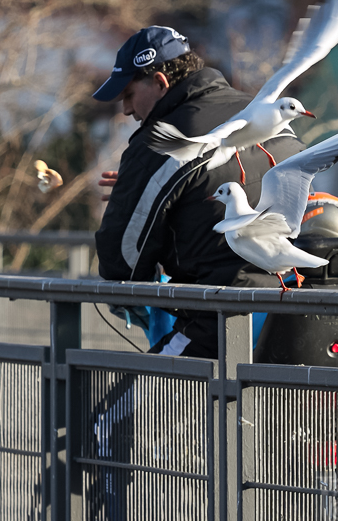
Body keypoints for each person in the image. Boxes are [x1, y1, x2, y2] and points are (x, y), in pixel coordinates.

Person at [94, 25, 305, 358]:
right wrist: (142, 193)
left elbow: (122, 264)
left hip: (218, 323)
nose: (126, 110)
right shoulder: (269, 115)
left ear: (160, 83)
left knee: (121, 411)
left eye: (129, 95)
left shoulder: (156, 144)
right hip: (300, 313)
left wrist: (131, 201)